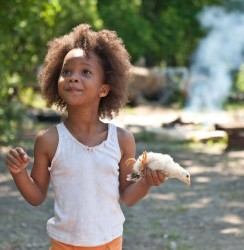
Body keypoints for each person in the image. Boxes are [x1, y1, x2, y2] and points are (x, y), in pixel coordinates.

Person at [5, 24, 165, 250]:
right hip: (63, 244)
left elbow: (128, 196)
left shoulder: (122, 140)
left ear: (104, 89)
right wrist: (18, 173)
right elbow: (36, 196)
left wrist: (147, 181)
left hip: (110, 242)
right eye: (66, 71)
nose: (73, 77)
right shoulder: (48, 140)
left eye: (86, 72)